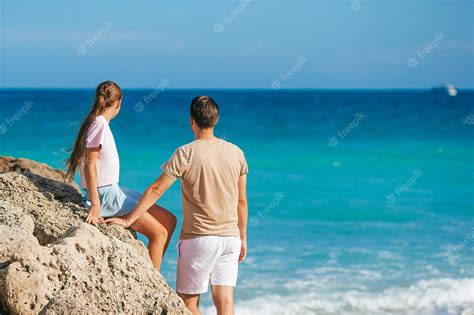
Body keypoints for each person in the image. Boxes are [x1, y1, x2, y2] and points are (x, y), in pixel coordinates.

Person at [107, 96, 249, 315]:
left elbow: (156, 189)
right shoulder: (236, 153)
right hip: (230, 239)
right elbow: (242, 201)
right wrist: (242, 238)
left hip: (199, 239)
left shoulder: (186, 153)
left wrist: (128, 219)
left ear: (191, 120)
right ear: (216, 119)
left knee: (188, 304)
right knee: (226, 304)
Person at [65, 80, 177, 270]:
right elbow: (89, 165)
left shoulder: (99, 124)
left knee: (169, 220)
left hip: (114, 189)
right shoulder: (99, 124)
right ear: (118, 104)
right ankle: (151, 286)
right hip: (105, 197)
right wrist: (95, 205)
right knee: (159, 233)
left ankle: (153, 275)